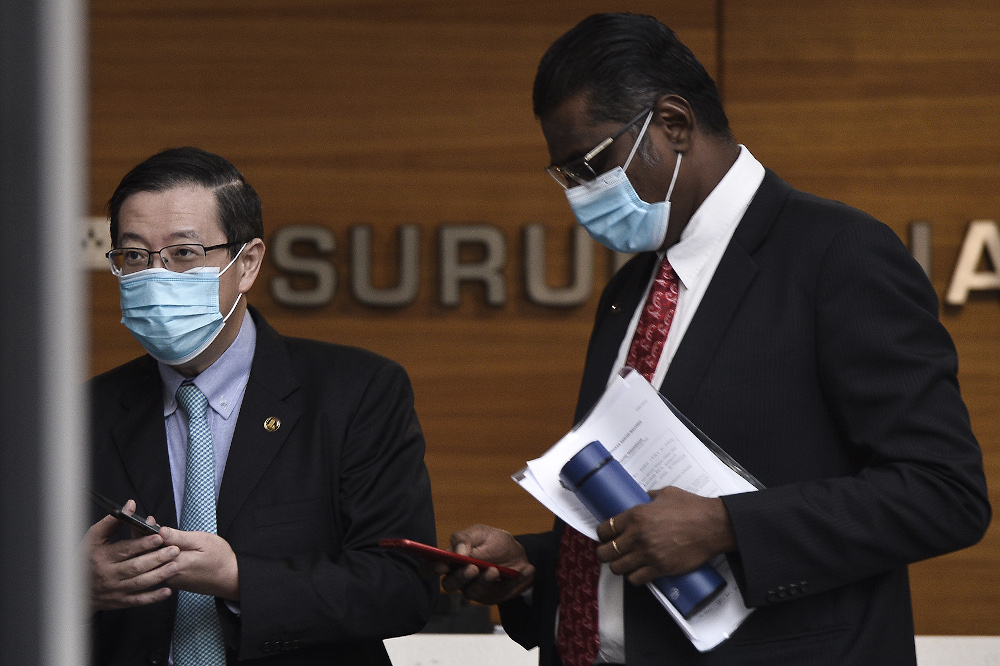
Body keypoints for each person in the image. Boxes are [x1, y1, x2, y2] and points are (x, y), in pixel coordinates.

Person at [440, 13, 991, 665]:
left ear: (673, 124)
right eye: (565, 176)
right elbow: (644, 517)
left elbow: (943, 493)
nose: (582, 195)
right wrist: (535, 564)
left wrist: (726, 525)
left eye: (590, 165)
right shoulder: (636, 286)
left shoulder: (837, 255)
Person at [86, 147, 437, 665]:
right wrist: (69, 587)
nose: (156, 277)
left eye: (184, 253)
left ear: (246, 263)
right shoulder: (79, 414)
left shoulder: (357, 392)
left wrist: (239, 579)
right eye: (135, 257)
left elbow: (402, 588)